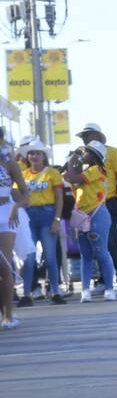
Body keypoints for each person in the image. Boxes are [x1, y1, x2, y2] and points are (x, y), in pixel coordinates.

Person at [75, 123, 117, 293]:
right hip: (88, 205)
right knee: (95, 243)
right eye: (83, 137)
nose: (85, 139)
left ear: (98, 135)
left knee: (110, 240)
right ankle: (102, 280)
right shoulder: (84, 156)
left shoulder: (112, 151)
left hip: (109, 201)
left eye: (88, 135)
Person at [63, 141, 116, 303]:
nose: (82, 154)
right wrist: (74, 161)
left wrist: (73, 158)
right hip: (81, 215)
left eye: (86, 152)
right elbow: (68, 177)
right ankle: (85, 290)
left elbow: (71, 176)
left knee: (101, 253)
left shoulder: (97, 170)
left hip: (97, 214)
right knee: (85, 254)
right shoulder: (86, 171)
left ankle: (109, 288)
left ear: (94, 156)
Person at [18, 140, 66, 306]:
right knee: (29, 258)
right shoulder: (23, 174)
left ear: (43, 156)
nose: (34, 156)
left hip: (48, 214)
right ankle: (27, 294)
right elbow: (17, 196)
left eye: (38, 153)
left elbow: (59, 198)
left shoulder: (52, 173)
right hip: (29, 216)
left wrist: (57, 219)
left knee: (51, 257)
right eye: (31, 153)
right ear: (27, 156)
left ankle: (55, 292)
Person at [0, 134, 30, 329]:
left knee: (3, 264)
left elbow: (25, 193)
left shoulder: (9, 163)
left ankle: (8, 315)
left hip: (5, 215)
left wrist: (15, 206)